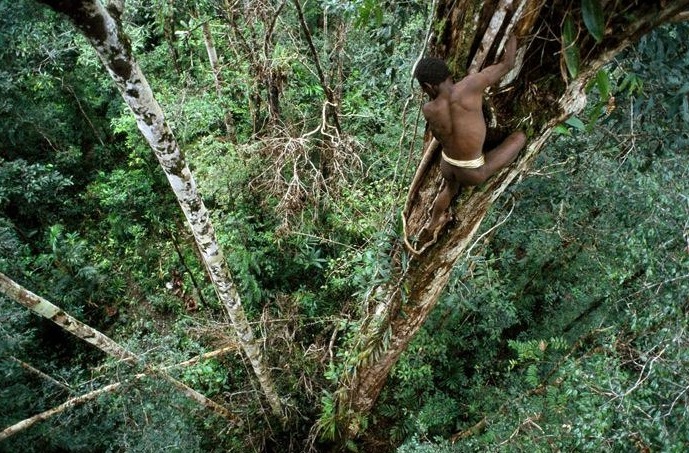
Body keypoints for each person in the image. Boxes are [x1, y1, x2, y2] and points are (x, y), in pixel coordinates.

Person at [414, 35, 526, 243]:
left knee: (449, 188)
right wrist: (512, 34)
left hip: (447, 165)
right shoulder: (472, 84)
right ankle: (435, 220)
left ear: (429, 86)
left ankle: (433, 221)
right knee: (519, 138)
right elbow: (508, 63)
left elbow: (441, 135)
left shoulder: (429, 110)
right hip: (472, 172)